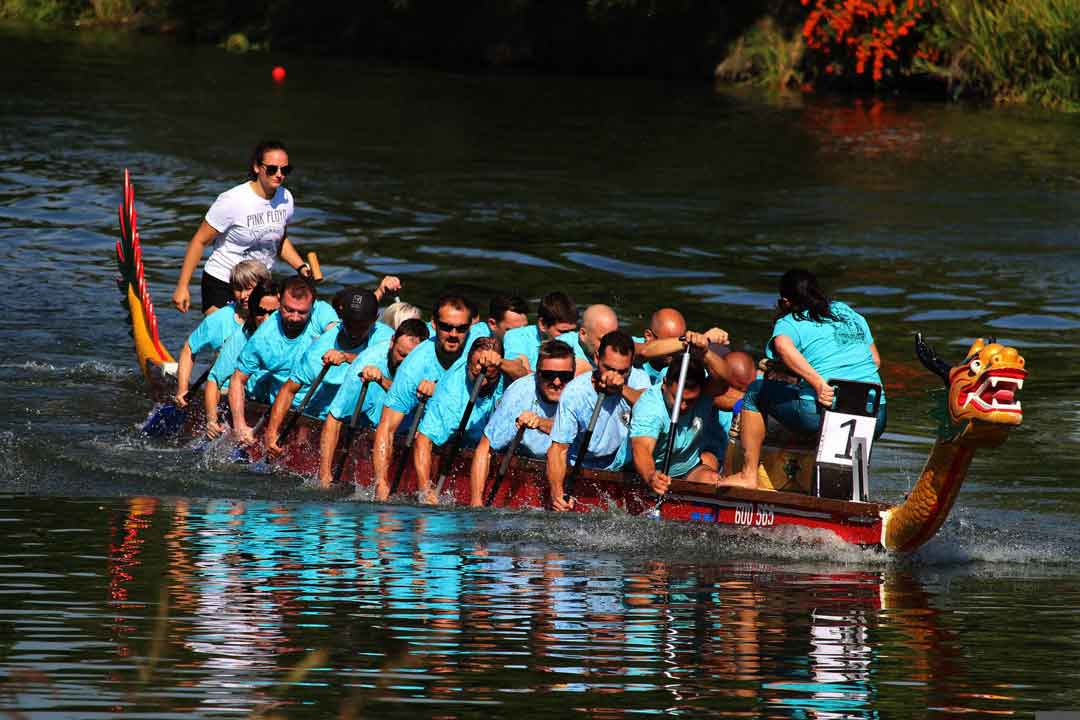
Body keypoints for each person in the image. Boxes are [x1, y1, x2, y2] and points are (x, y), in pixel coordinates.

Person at [722, 268, 887, 488]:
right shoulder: (847, 312)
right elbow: (875, 361)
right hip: (877, 414)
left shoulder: (789, 321)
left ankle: (748, 475)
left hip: (820, 412)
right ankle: (850, 488)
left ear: (785, 302)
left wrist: (818, 384)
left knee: (754, 391)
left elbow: (781, 346)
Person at [172, 140, 313, 315]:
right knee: (222, 337)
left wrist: (301, 267)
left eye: (285, 170)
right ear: (256, 167)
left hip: (259, 285)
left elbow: (280, 240)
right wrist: (183, 286)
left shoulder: (286, 198)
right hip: (224, 281)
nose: (279, 175)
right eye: (272, 169)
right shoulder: (233, 200)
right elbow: (200, 241)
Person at [370, 293, 474, 501]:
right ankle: (426, 489)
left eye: (461, 329)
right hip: (432, 435)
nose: (454, 334)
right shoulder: (414, 365)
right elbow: (387, 427)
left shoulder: (481, 346)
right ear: (434, 324)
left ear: (471, 326)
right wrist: (381, 481)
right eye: (446, 327)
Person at [264, 289, 392, 455]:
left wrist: (347, 357)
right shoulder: (319, 351)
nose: (353, 331)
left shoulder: (388, 339)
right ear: (341, 318)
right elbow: (289, 390)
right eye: (349, 324)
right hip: (329, 417)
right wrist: (272, 431)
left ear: (375, 319)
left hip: (373, 416)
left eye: (361, 326)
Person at [630, 337, 758, 497]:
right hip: (641, 472)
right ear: (665, 384)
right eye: (676, 398)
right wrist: (651, 476)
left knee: (712, 479)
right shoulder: (650, 407)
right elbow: (641, 448)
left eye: (689, 401)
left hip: (688, 469)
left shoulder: (705, 393)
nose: (682, 406)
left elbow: (725, 378)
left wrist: (705, 352)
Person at [316, 318, 430, 487]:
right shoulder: (367, 363)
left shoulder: (431, 362)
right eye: (401, 354)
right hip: (374, 423)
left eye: (411, 358)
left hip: (409, 427)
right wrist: (325, 475)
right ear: (392, 342)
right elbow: (334, 418)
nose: (405, 362)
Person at [546, 330, 651, 510]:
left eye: (622, 371)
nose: (614, 376)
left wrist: (621, 389)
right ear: (596, 359)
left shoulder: (639, 378)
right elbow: (558, 449)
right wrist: (557, 491)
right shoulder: (575, 392)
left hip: (624, 465)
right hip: (583, 464)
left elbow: (651, 407)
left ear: (631, 366)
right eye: (608, 369)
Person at [227, 276, 336, 445]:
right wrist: (240, 425)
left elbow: (341, 333)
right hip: (286, 411)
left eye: (302, 313)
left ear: (312, 307)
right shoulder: (263, 338)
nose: (294, 317)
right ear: (279, 300)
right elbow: (237, 379)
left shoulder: (322, 312)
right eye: (288, 310)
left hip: (326, 410)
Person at [469, 339, 575, 506]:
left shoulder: (581, 393)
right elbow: (485, 448)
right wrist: (476, 503)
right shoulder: (519, 394)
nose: (556, 382)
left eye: (565, 376)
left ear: (573, 375)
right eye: (549, 375)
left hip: (570, 463)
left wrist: (540, 422)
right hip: (526, 457)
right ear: (537, 374)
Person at [412, 336, 505, 504]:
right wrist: (425, 489)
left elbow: (522, 371)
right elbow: (424, 441)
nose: (482, 380)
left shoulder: (507, 372)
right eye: (475, 372)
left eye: (489, 375)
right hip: (459, 438)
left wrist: (502, 364)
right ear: (468, 364)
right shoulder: (451, 396)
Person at [173, 260, 270, 407]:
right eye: (238, 289)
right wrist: (182, 390)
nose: (243, 295)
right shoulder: (220, 319)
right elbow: (189, 349)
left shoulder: (276, 316)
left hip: (263, 392)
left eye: (248, 288)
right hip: (226, 393)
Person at [203, 280, 280, 439]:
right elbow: (214, 380)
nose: (266, 319)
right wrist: (212, 420)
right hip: (250, 401)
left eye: (273, 313)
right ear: (252, 311)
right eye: (260, 312)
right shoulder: (241, 337)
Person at [501, 292, 578, 380]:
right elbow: (520, 373)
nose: (569, 337)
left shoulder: (576, 338)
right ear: (542, 324)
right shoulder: (517, 336)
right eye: (562, 331)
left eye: (573, 331)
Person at [555, 303, 619, 376]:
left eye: (614, 339)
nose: (610, 346)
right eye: (603, 340)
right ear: (583, 334)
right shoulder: (561, 345)